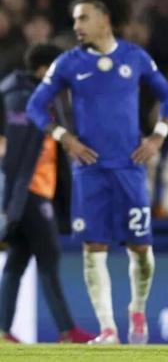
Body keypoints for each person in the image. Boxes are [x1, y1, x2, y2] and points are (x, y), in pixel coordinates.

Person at [26, 0, 168, 344]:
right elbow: (35, 106)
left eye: (83, 18)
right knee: (94, 249)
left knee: (141, 249)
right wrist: (64, 137)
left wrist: (157, 137)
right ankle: (108, 328)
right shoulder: (68, 63)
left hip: (129, 168)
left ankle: (137, 309)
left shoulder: (135, 57)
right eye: (75, 19)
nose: (76, 25)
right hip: (89, 170)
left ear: (105, 19)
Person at [0, 44, 94, 344]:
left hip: (34, 190)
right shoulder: (22, 97)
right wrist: (10, 199)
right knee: (49, 258)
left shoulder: (31, 94)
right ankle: (67, 330)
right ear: (44, 69)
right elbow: (13, 152)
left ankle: (3, 331)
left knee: (17, 261)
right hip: (29, 191)